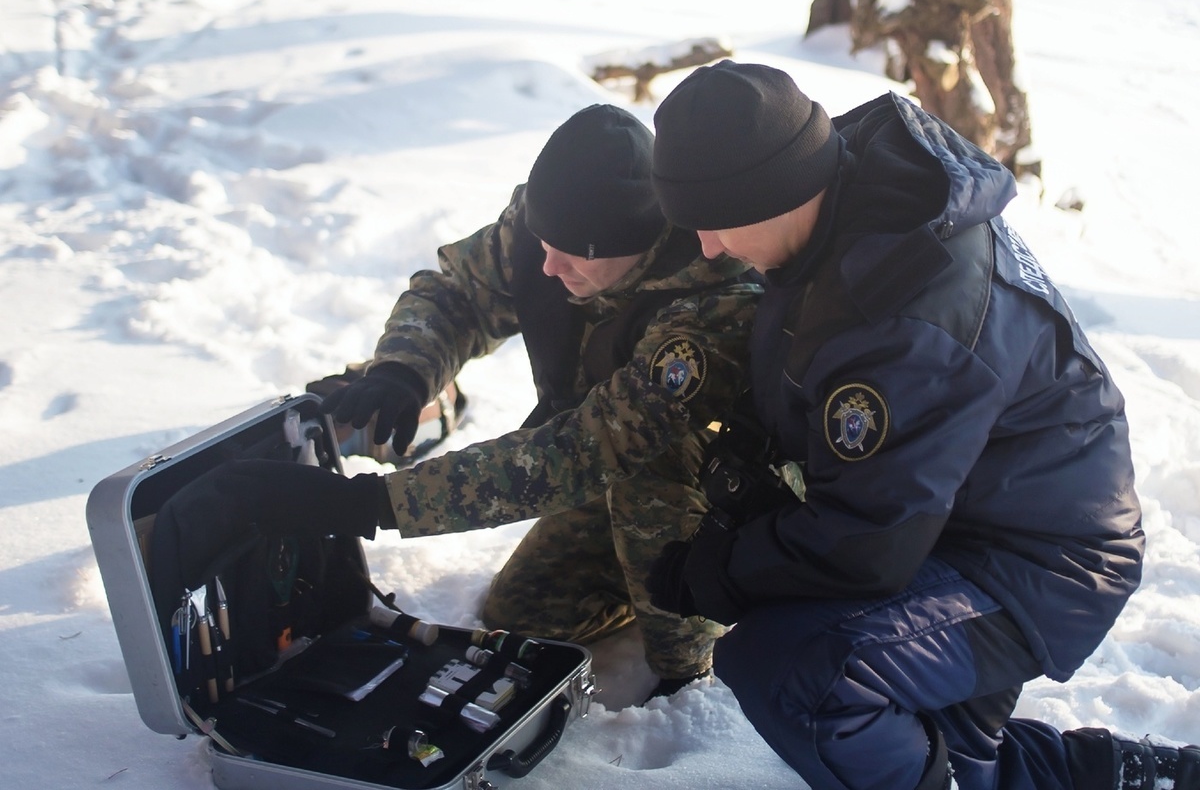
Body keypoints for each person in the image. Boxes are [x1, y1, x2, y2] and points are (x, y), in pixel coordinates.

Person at [643, 60, 1199, 789]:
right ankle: (1103, 773)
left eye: (714, 222)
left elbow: (867, 545)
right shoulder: (848, 204)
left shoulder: (905, 303)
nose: (708, 247)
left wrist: (723, 570)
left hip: (1039, 558)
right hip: (966, 512)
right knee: (945, 749)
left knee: (799, 673)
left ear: (774, 191)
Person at [171, 103, 761, 700]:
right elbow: (456, 293)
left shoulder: (713, 299)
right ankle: (638, 575)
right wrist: (405, 368)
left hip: (710, 497)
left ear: (634, 239)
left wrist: (372, 504)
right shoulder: (549, 233)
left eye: (573, 253)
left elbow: (585, 451)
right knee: (530, 615)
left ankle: (695, 642)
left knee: (656, 521)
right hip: (600, 470)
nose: (549, 266)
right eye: (543, 243)